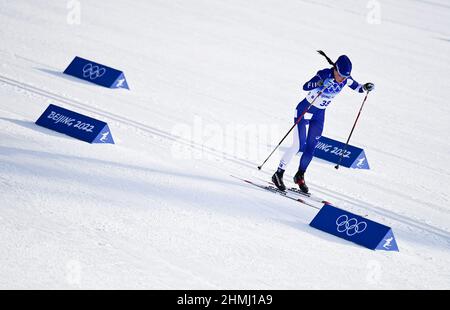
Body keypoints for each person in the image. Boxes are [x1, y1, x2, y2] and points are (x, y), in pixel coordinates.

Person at [272, 51, 375, 194]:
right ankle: (278, 174)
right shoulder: (325, 74)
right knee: (298, 145)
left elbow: (357, 87)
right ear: (335, 69)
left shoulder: (345, 78)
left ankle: (300, 175)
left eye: (345, 77)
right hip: (305, 109)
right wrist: (320, 83)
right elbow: (306, 86)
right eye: (340, 76)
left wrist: (365, 87)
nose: (342, 80)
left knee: (311, 148)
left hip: (319, 115)